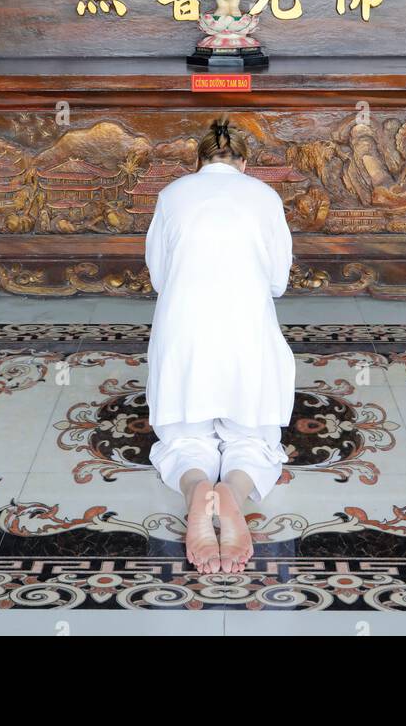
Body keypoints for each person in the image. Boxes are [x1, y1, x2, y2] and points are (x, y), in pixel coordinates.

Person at [145, 117, 295, 574]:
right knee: (254, 436)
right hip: (246, 335)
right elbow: (277, 282)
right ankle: (232, 489)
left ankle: (197, 493)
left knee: (183, 436)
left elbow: (159, 276)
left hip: (184, 337)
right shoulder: (266, 197)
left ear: (198, 162)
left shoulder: (172, 194)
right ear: (244, 163)